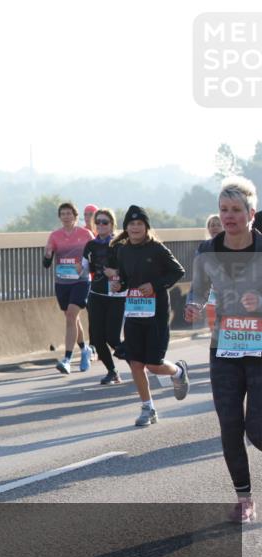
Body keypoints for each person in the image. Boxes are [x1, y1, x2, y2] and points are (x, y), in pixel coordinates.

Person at [185, 177, 261, 524]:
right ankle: (244, 500)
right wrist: (194, 305)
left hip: (260, 351)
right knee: (230, 425)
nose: (228, 216)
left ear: (251, 213)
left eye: (235, 210)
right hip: (225, 349)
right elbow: (198, 290)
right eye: (223, 210)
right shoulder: (207, 251)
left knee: (257, 430)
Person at [108, 205, 188, 427]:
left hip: (156, 314)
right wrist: (119, 285)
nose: (135, 227)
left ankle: (178, 371)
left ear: (146, 227)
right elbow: (125, 279)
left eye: (139, 224)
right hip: (134, 313)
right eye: (131, 224)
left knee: (153, 365)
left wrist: (154, 285)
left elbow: (178, 271)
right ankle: (148, 408)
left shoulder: (157, 249)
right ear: (126, 227)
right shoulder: (122, 251)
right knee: (135, 363)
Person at [43, 202, 95, 374]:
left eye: (69, 213)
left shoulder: (85, 234)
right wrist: (48, 255)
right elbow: (46, 263)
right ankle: (85, 349)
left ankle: (67, 359)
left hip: (81, 280)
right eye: (63, 214)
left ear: (75, 216)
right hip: (62, 282)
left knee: (71, 315)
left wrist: (85, 265)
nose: (66, 217)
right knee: (72, 318)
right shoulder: (55, 236)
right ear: (60, 217)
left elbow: (95, 255)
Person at [82, 208, 125, 384]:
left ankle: (137, 363)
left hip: (116, 296)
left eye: (104, 222)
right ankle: (112, 371)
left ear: (112, 224)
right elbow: (85, 268)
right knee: (97, 338)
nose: (100, 225)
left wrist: (116, 273)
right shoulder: (90, 245)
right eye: (97, 222)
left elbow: (131, 269)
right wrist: (75, 268)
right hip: (96, 295)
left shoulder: (121, 245)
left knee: (113, 338)